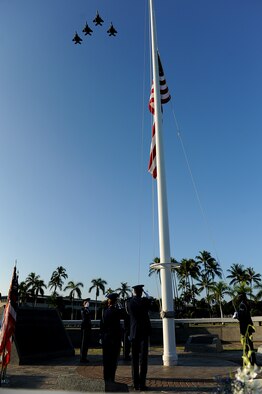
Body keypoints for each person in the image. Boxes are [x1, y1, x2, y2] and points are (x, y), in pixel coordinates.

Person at [126, 284, 152, 391]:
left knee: (134, 360)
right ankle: (142, 384)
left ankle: (135, 383)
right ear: (141, 292)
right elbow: (150, 304)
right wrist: (148, 297)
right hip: (144, 333)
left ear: (134, 292)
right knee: (143, 360)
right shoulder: (145, 301)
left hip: (134, 332)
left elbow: (128, 314)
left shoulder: (129, 302)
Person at [100, 293, 122, 383]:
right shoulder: (117, 312)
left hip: (106, 339)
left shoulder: (105, 312)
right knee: (113, 361)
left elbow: (102, 325)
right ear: (115, 301)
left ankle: (106, 378)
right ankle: (111, 379)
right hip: (114, 339)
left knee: (106, 360)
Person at [235, 293, 256, 366]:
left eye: (238, 296)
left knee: (247, 345)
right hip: (248, 327)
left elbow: (242, 316)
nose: (237, 297)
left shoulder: (242, 305)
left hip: (245, 327)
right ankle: (252, 361)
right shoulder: (245, 303)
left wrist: (236, 316)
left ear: (241, 297)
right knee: (249, 344)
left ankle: (249, 361)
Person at [80, 298, 92, 363]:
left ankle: (84, 357)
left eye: (88, 302)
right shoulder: (83, 310)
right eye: (86, 302)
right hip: (85, 328)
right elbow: (85, 315)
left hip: (88, 328)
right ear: (83, 304)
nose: (87, 303)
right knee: (84, 343)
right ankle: (82, 357)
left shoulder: (87, 310)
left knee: (86, 343)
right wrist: (86, 307)